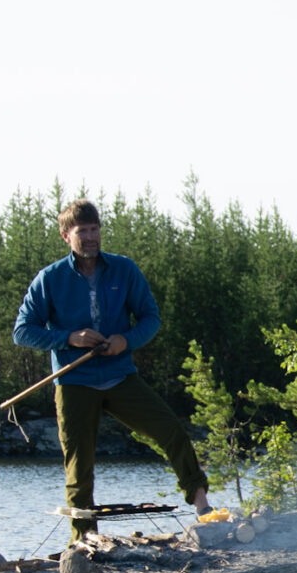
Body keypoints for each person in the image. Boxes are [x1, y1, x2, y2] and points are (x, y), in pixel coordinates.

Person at [13, 198, 209, 541]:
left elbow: (150, 318)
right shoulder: (50, 279)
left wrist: (125, 341)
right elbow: (22, 331)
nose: (90, 237)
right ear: (65, 236)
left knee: (170, 430)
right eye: (81, 231)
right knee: (79, 467)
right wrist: (69, 338)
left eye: (94, 229)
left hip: (120, 376)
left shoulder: (124, 270)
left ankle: (202, 505)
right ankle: (84, 540)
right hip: (74, 381)